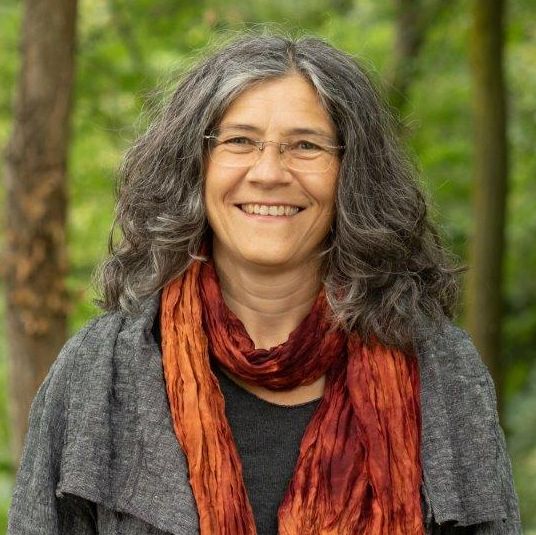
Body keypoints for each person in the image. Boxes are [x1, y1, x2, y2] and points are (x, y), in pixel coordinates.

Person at [8, 33, 521, 535]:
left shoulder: (441, 369)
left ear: (352, 174)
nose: (269, 172)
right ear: (195, 166)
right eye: (239, 141)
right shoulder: (100, 371)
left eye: (306, 145)